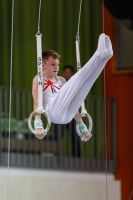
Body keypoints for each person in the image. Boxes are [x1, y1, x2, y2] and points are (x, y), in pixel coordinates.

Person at [32, 33, 113, 141]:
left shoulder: (61, 80)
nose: (56, 67)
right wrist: (38, 123)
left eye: (57, 64)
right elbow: (36, 102)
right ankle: (99, 53)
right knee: (78, 78)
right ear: (43, 65)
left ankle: (105, 58)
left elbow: (69, 100)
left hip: (67, 115)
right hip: (52, 112)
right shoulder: (39, 78)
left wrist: (82, 125)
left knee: (86, 83)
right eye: (52, 64)